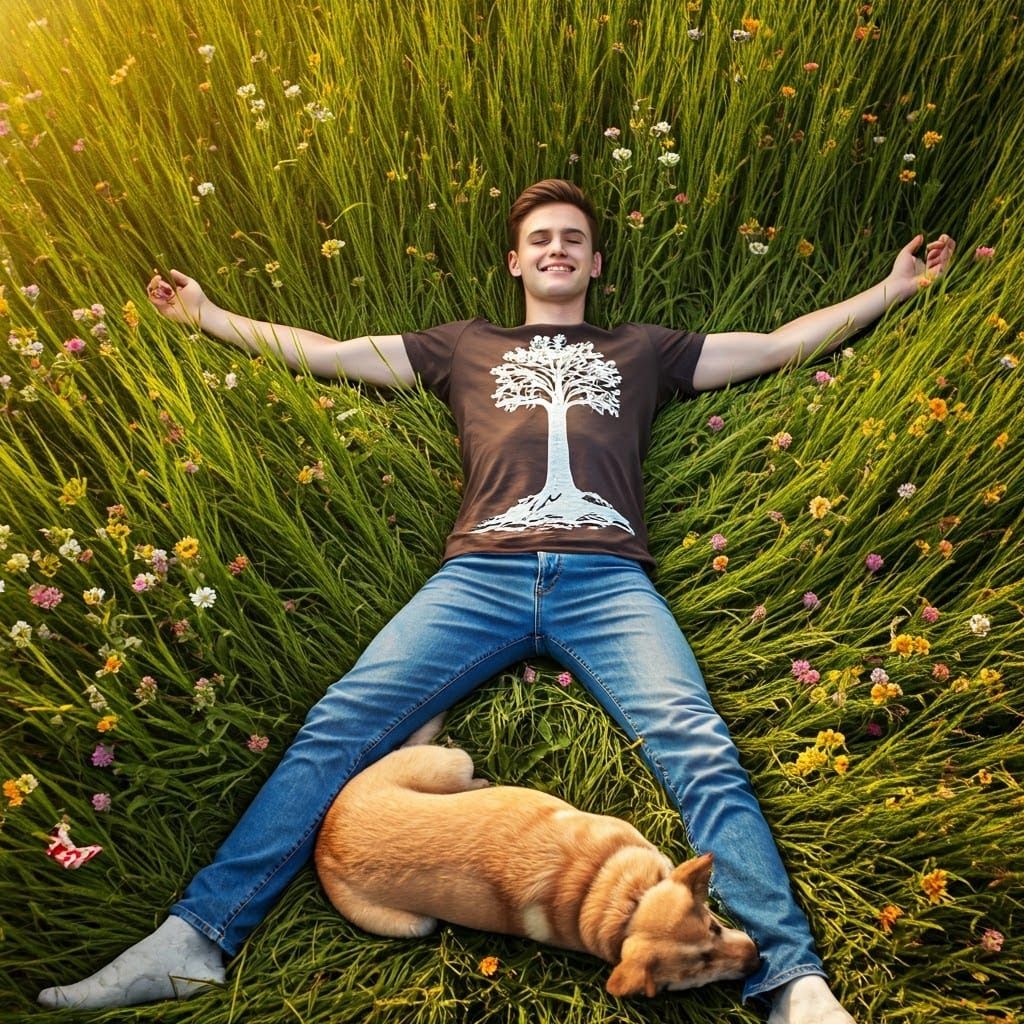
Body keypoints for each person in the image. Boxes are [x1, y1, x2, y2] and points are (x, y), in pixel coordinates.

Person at [38, 180, 954, 1022]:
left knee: (698, 747)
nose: (557, 249)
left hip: (607, 580)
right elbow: (329, 353)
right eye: (540, 239)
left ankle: (791, 977)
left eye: (575, 240)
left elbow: (782, 343)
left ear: (595, 264)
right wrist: (206, 317)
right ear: (516, 262)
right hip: (479, 576)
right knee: (340, 724)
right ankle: (198, 936)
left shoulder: (641, 349)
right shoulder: (467, 345)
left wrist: (891, 291)